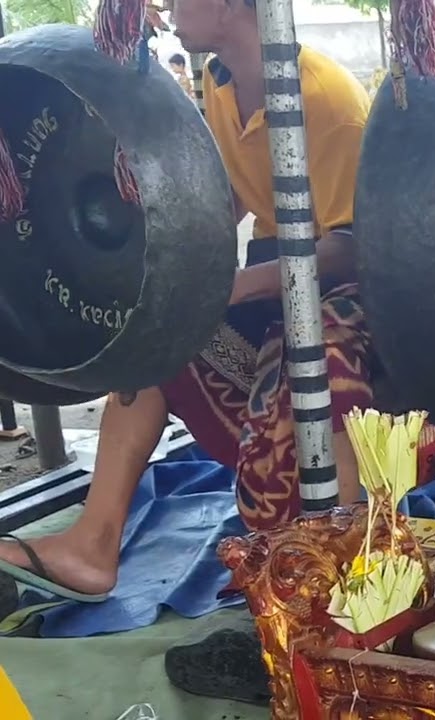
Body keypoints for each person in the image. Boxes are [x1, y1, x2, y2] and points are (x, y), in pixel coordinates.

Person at [0, 0, 375, 602]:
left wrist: (223, 289)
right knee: (159, 335)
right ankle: (92, 545)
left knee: (314, 367)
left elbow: (349, 250)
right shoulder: (217, 81)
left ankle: (339, 572)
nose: (166, 7)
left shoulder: (326, 103)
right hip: (270, 278)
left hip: (352, 293)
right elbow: (226, 196)